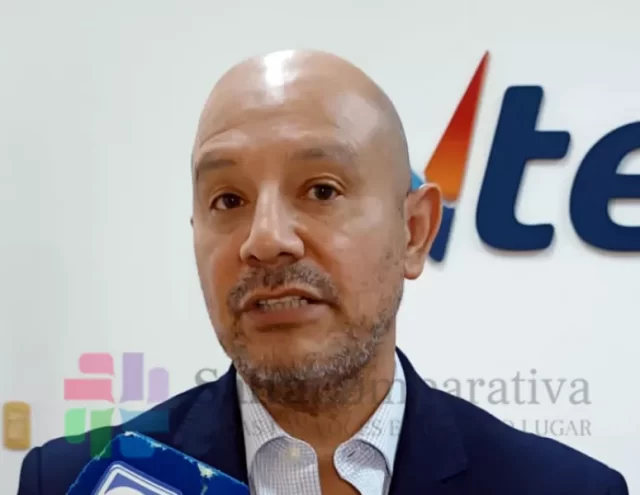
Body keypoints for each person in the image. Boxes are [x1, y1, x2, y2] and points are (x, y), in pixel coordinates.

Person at [18, 49, 628, 495]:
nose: (265, 240)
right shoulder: (72, 481)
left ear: (414, 231)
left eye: (321, 190)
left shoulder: (563, 487)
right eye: (228, 200)